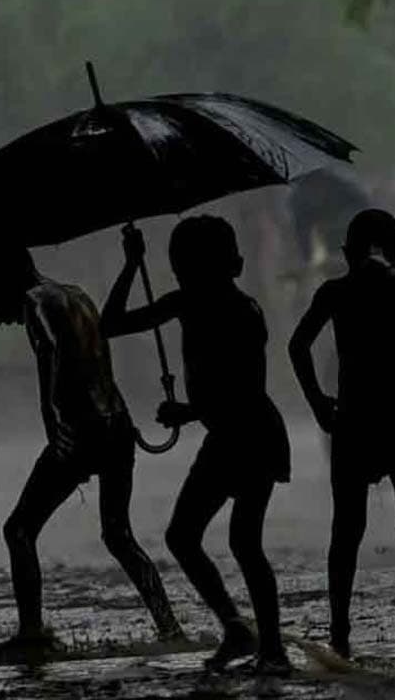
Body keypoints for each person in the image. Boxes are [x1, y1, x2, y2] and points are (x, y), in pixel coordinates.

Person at [0, 248, 183, 664]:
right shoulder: (76, 294)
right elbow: (101, 347)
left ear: (4, 285)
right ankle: (170, 627)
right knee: (119, 535)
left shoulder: (35, 301)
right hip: (118, 424)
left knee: (19, 530)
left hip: (81, 430)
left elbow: (61, 357)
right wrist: (131, 266)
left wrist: (58, 421)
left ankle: (31, 633)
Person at [101, 216, 292, 676]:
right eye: (185, 269)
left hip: (250, 436)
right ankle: (240, 630)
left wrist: (189, 411)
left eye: (193, 267)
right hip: (227, 436)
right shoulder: (186, 302)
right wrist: (131, 264)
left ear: (232, 267)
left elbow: (244, 393)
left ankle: (271, 648)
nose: (190, 278)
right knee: (186, 537)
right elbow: (110, 325)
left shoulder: (243, 313)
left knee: (242, 543)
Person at [288, 208, 395, 658]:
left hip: (353, 424)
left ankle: (339, 633)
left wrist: (320, 403)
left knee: (346, 531)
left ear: (346, 253)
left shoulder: (336, 292)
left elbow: (296, 346)